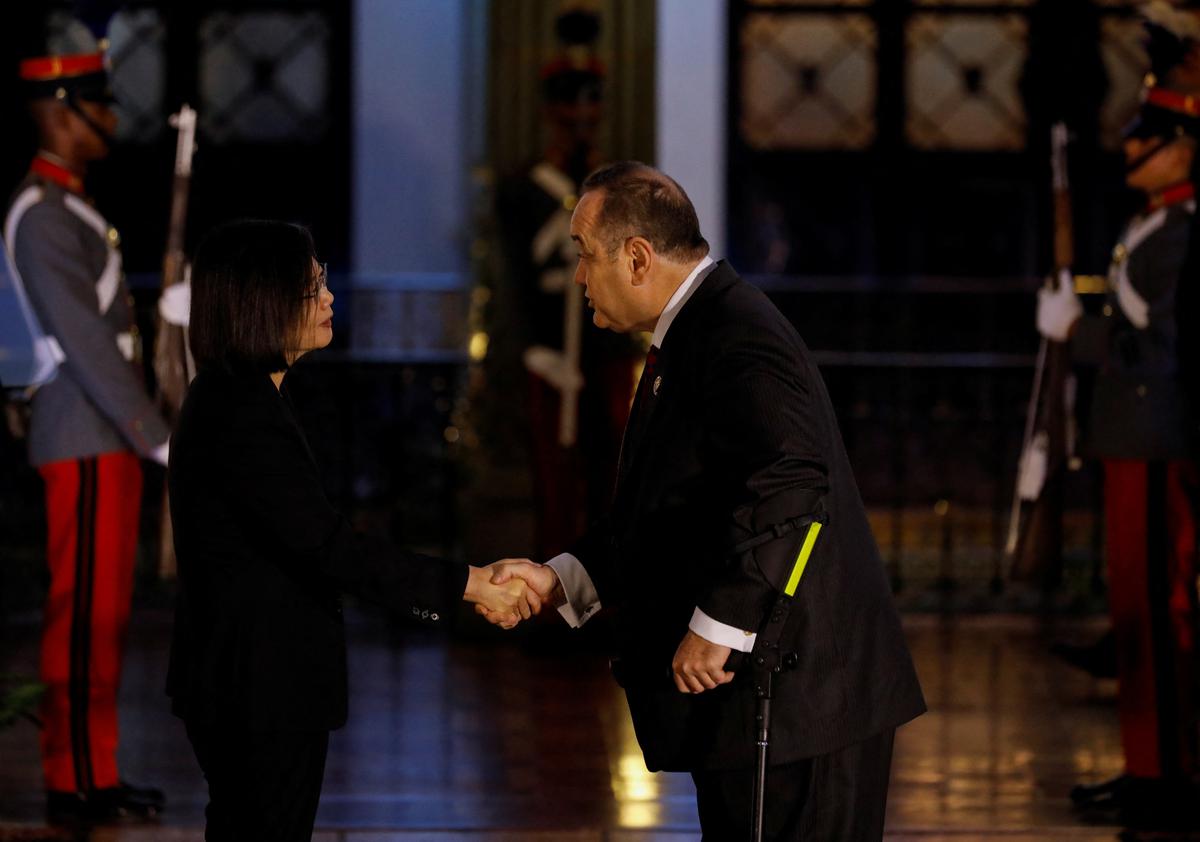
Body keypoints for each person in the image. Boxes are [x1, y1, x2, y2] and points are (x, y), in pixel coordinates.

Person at [482, 163, 925, 840]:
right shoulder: (696, 327)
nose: (577, 278)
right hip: (760, 702)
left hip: (804, 703)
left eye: (583, 255)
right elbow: (671, 507)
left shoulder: (735, 332)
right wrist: (562, 577)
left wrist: (719, 622)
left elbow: (793, 479)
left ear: (636, 257)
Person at [166, 220, 535, 841]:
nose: (329, 297)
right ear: (264, 302)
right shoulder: (241, 412)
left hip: (255, 683)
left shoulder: (247, 398)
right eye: (313, 287)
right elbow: (329, 547)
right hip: (256, 687)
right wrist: (469, 585)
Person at [3, 40, 170, 822]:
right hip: (88, 434)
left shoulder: (70, 207)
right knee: (81, 618)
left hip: (104, 438)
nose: (109, 119)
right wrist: (154, 430)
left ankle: (94, 772)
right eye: (98, 106)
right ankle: (70, 780)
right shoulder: (41, 216)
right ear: (64, 115)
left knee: (105, 617)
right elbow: (85, 341)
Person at [1036, 98, 1199, 827]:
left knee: (1161, 618)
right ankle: (1148, 766)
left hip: (1160, 439)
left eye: (1152, 141)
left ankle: (1172, 775)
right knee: (1135, 615)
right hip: (1134, 438)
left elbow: (1164, 351)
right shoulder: (1156, 222)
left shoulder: (1185, 230)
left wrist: (1085, 331)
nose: (1137, 151)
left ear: (1185, 148)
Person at [490, 7, 638, 559]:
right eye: (569, 107)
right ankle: (556, 600)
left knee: (613, 472)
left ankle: (603, 598)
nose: (580, 119)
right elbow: (514, 274)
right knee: (554, 476)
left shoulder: (618, 183)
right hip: (551, 348)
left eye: (589, 106)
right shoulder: (523, 191)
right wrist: (532, 347)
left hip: (607, 343)